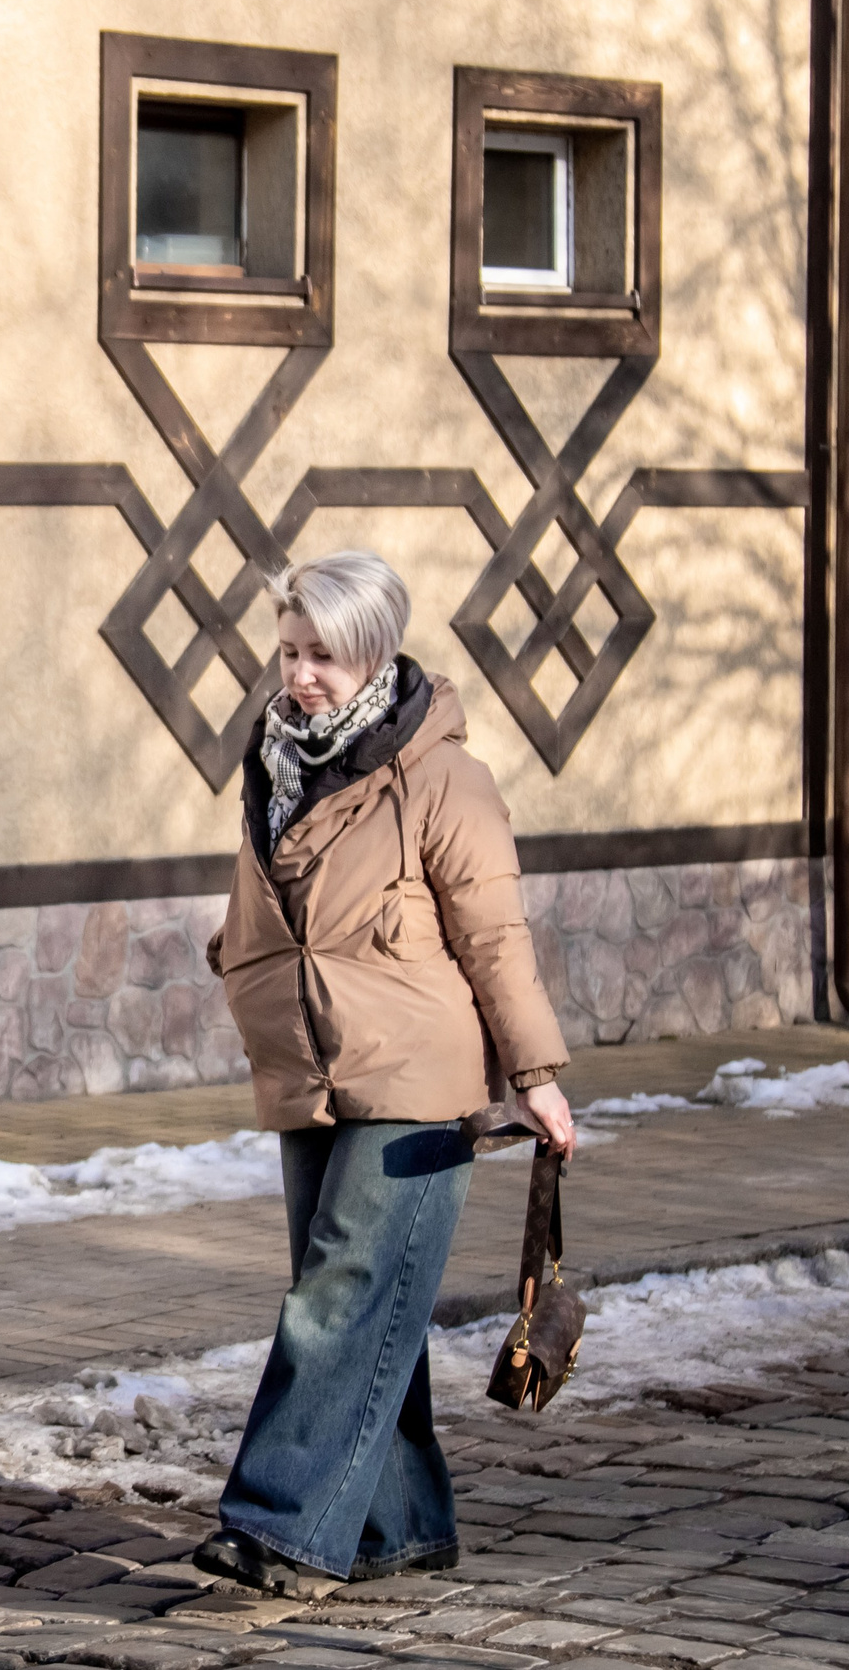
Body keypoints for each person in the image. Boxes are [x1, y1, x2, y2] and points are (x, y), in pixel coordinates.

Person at [192, 549, 577, 1594]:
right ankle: (399, 1522)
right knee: (367, 1308)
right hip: (308, 1070)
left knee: (340, 1295)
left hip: (417, 1075)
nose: (301, 673)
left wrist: (535, 1071)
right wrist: (238, 958)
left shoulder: (442, 777)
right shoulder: (273, 763)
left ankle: (277, 1523)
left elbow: (495, 934)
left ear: (373, 651)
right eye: (289, 650)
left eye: (324, 652)